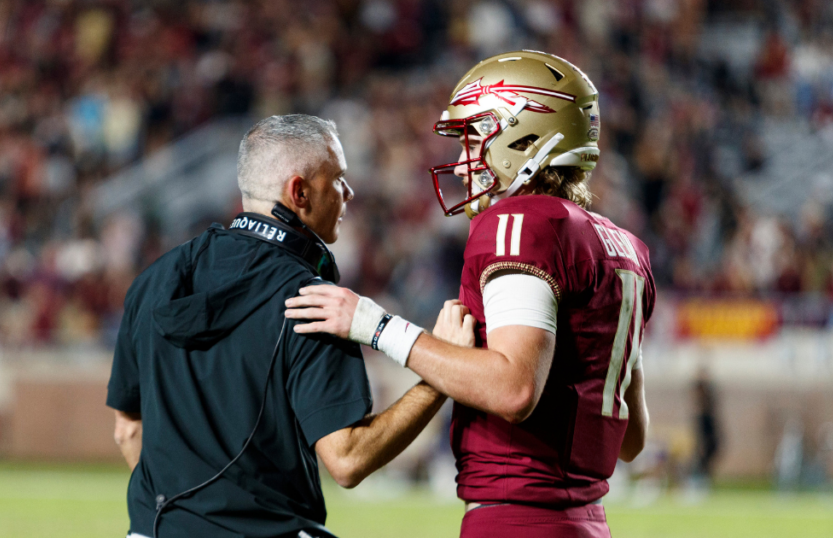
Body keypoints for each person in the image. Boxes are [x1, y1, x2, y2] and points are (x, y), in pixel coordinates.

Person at [286, 51, 655, 538]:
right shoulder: (626, 247)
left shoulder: (520, 223)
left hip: (518, 521)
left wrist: (376, 325)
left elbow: (513, 389)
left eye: (473, 140)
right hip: (587, 522)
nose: (462, 164)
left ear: (523, 137)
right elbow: (630, 436)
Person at [106, 114, 472, 538]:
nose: (349, 192)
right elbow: (348, 459)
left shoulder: (153, 279)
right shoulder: (314, 301)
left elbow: (128, 430)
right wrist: (438, 380)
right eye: (337, 179)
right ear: (299, 192)